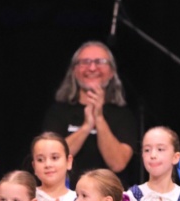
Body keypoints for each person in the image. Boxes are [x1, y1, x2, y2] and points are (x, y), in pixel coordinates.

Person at [40, 42, 137, 183]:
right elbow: (49, 157)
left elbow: (118, 163)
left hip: (108, 193)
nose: (92, 68)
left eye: (100, 62)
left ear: (112, 72)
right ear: (74, 71)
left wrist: (99, 119)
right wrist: (86, 127)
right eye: (85, 62)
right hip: (65, 193)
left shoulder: (123, 114)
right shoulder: (58, 111)